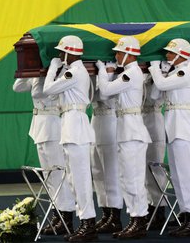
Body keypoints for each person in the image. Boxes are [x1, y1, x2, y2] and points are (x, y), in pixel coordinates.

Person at [149, 38, 190, 237]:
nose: (166, 55)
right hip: (174, 127)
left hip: (184, 128)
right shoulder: (175, 71)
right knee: (177, 175)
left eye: (170, 53)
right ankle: (187, 215)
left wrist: (155, 69)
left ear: (181, 54)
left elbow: (162, 84)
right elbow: (155, 95)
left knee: (188, 174)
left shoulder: (189, 70)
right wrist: (163, 72)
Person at [96, 36, 151, 239]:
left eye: (118, 52)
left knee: (133, 178)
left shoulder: (132, 74)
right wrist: (109, 75)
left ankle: (139, 220)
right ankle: (135, 219)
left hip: (132, 132)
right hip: (126, 131)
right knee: (126, 177)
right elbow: (105, 96)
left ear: (128, 54)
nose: (116, 55)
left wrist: (103, 71)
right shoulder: (128, 73)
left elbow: (106, 90)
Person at [43, 35, 97, 242]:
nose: (58, 55)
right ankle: (85, 222)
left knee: (81, 178)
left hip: (76, 125)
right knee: (74, 178)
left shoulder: (74, 72)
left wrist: (52, 69)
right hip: (70, 124)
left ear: (69, 52)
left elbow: (48, 89)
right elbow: (52, 95)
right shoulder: (71, 72)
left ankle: (88, 225)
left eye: (60, 52)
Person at [13, 76, 76, 235]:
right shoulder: (37, 76)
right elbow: (18, 87)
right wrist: (26, 70)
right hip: (40, 127)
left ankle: (66, 216)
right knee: (48, 177)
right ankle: (57, 214)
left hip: (52, 127)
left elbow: (38, 92)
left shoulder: (55, 76)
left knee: (59, 175)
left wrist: (43, 72)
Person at [90, 62, 123, 234]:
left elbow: (104, 95)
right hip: (96, 122)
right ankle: (105, 212)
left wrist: (106, 71)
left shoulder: (119, 74)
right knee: (97, 172)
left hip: (110, 122)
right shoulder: (97, 73)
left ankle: (115, 216)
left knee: (111, 173)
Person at [142, 71, 167, 229]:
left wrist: (154, 72)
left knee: (156, 169)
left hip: (154, 119)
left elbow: (154, 96)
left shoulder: (158, 76)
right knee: (144, 170)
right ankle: (150, 207)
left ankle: (160, 209)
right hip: (141, 119)